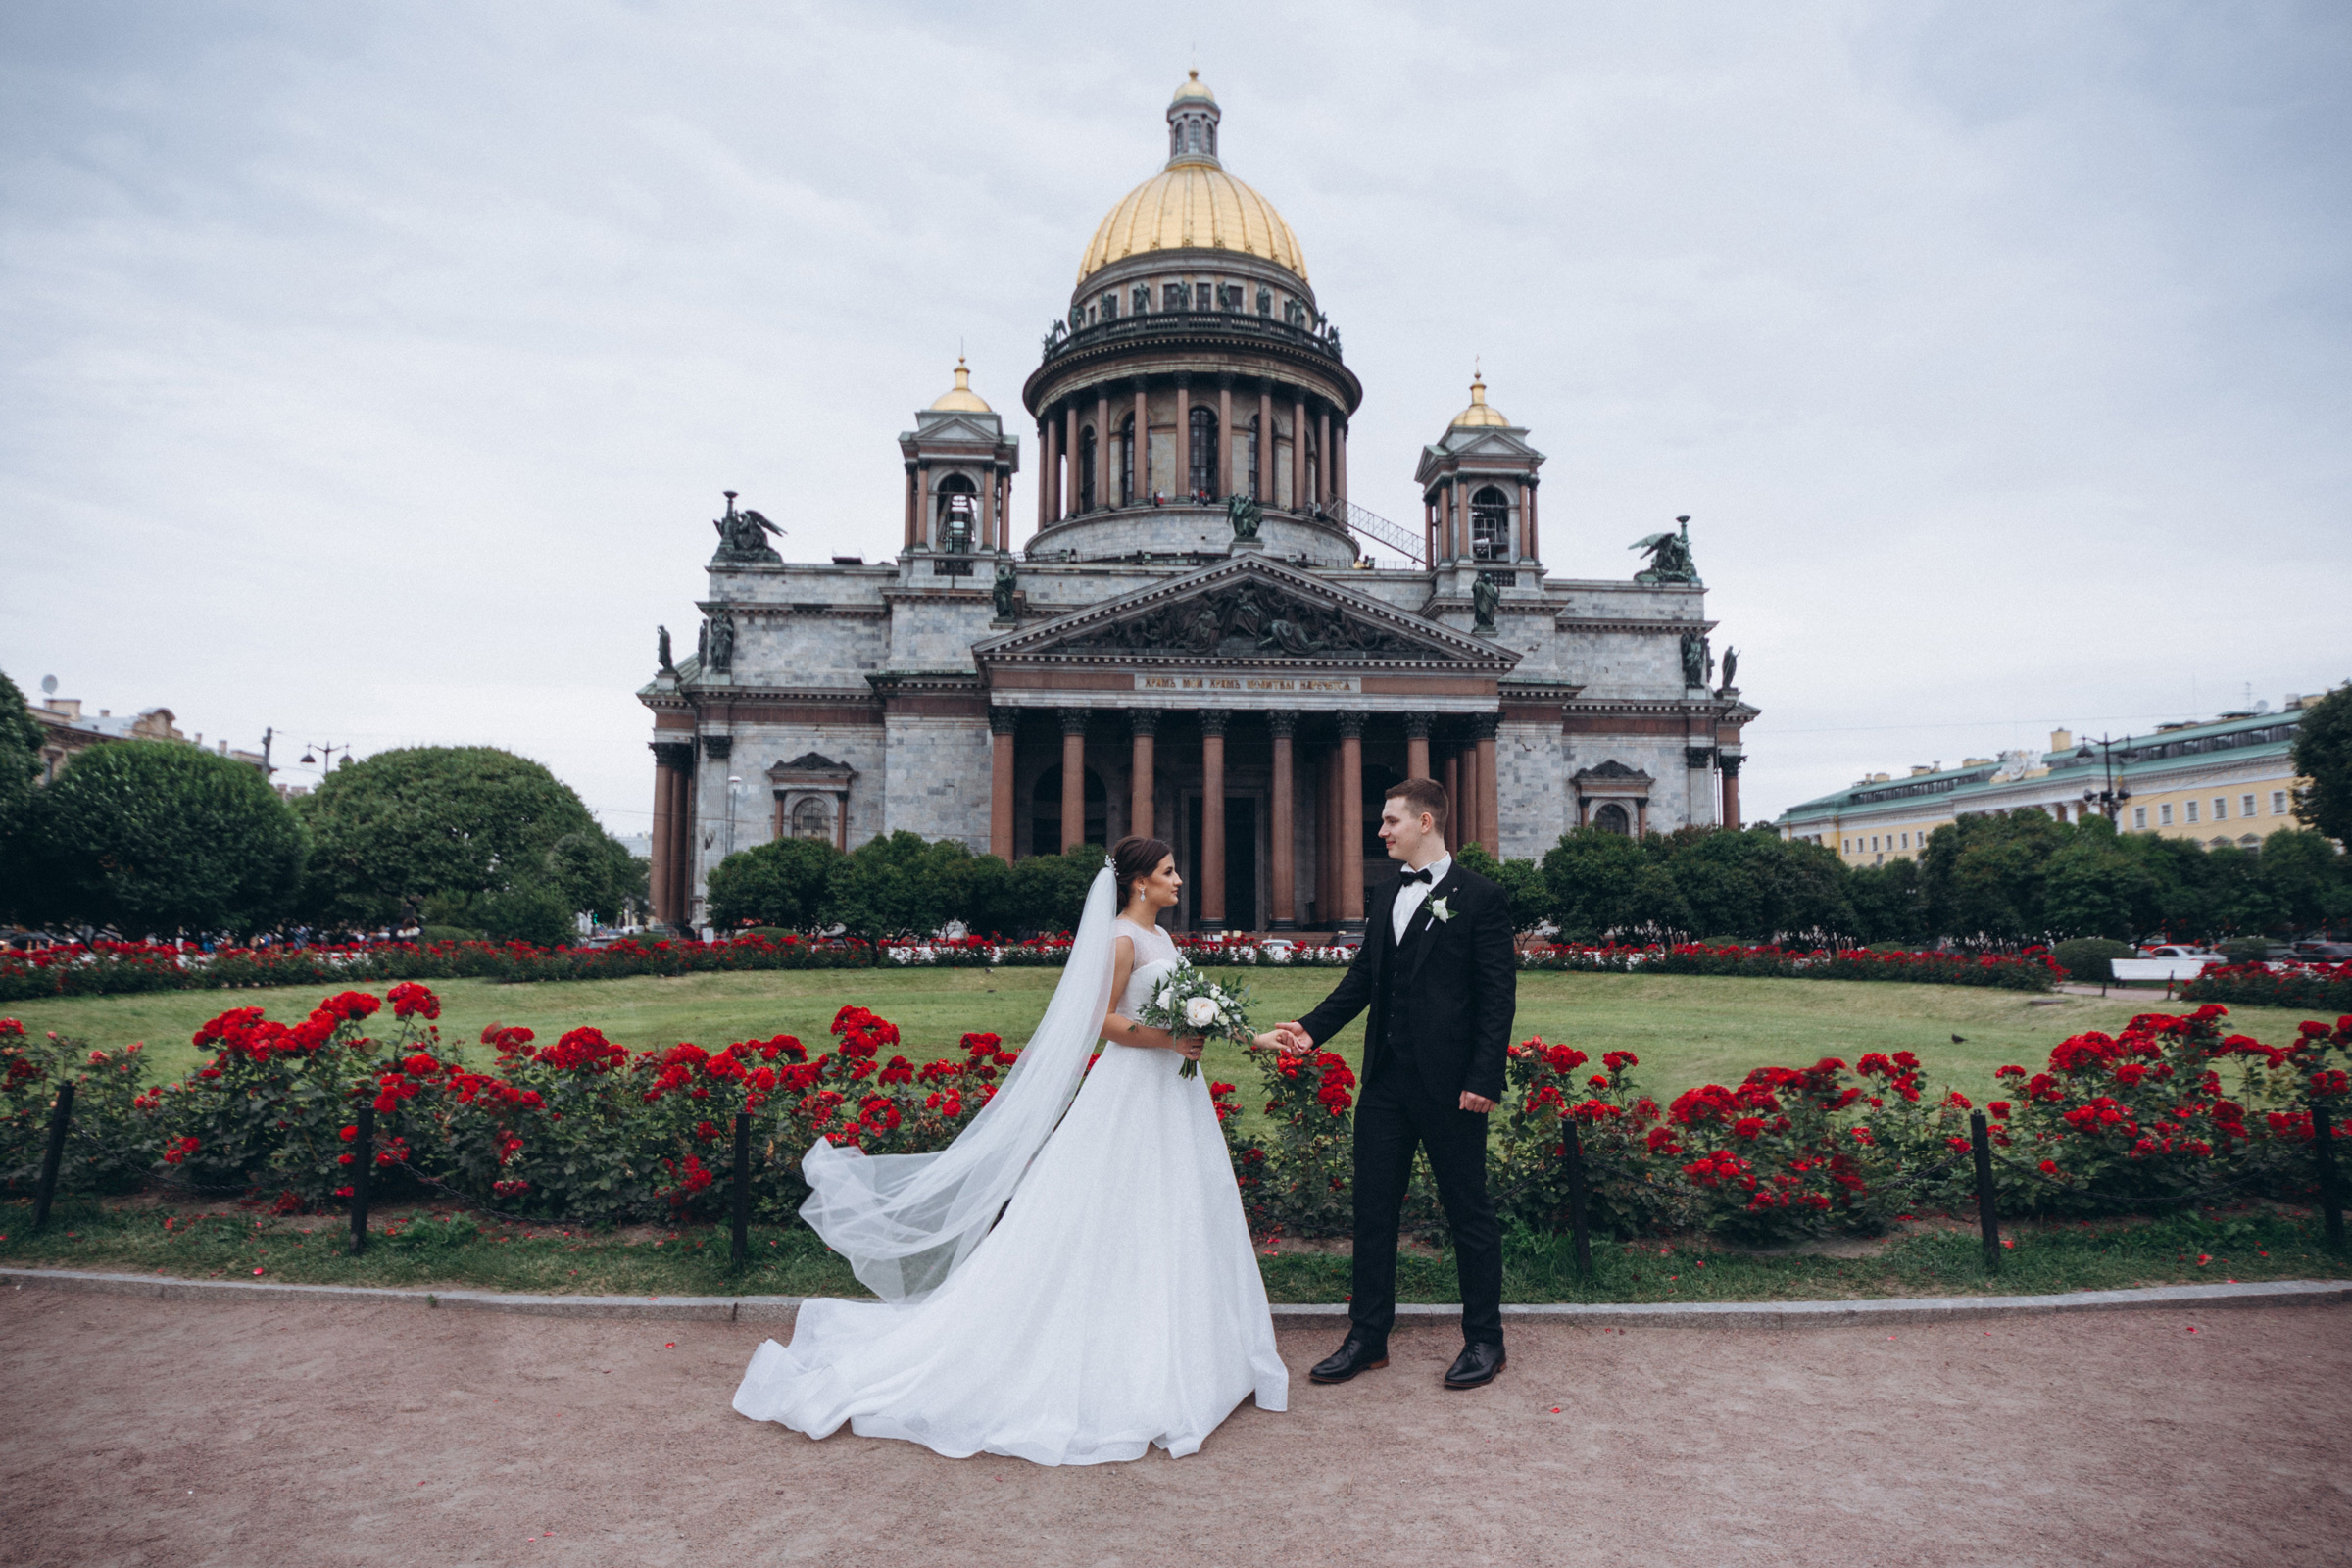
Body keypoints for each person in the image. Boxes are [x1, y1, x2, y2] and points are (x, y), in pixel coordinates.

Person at [732, 836, 1286, 1465]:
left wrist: (1259, 1039)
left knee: (1171, 1212)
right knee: (1106, 1210)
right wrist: (1169, 1039)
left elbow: (1201, 1015)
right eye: (1168, 871)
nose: (1179, 879)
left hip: (1174, 1098)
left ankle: (1179, 1346)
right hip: (1131, 1091)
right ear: (1138, 883)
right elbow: (1101, 1020)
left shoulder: (1162, 940)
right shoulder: (1121, 940)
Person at [1253, 777, 1516, 1390]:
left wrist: (1484, 1077)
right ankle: (1368, 1337)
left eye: (1391, 821)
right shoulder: (1385, 892)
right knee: (1372, 1213)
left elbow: (1496, 999)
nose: (1381, 831)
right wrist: (1309, 1032)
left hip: (1453, 1087)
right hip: (1385, 1085)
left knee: (1467, 1213)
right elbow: (1365, 979)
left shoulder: (1480, 897)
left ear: (1425, 822)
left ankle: (1486, 1340)